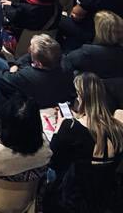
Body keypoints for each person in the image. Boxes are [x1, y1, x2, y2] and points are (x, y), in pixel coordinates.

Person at [44, 72, 123, 212]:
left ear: (80, 97)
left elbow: (53, 160)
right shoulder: (117, 127)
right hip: (107, 195)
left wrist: (58, 128)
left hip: (74, 197)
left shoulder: (70, 127)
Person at [0, 33, 74, 122]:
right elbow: (28, 57)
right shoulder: (63, 62)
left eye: (31, 49)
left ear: (38, 64)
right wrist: (16, 65)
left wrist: (13, 70)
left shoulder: (29, 75)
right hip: (28, 85)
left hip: (19, 102)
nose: (29, 49)